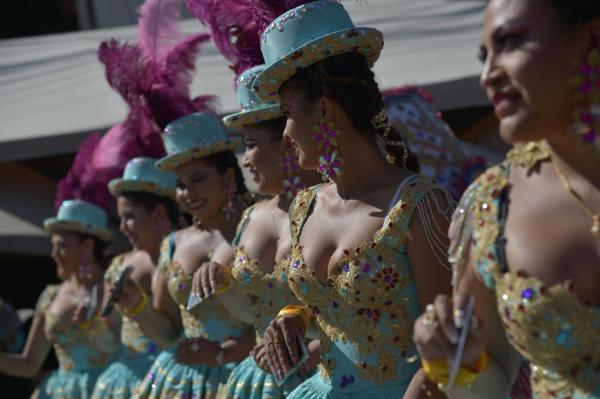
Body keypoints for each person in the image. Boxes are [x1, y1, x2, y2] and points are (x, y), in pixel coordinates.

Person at [254, 1, 455, 397]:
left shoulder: (417, 205)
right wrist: (293, 317)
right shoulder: (304, 205)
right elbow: (332, 309)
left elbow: (450, 342)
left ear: (324, 109)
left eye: (287, 114)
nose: (285, 135)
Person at [412, 1, 600, 398]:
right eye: (484, 56)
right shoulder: (494, 204)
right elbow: (493, 376)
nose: (487, 76)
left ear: (592, 37)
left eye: (510, 42)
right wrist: (460, 364)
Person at [190, 64, 322, 399]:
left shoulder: (331, 206)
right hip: (256, 382)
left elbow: (361, 309)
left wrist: (314, 349)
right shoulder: (250, 217)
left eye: (250, 144)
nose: (245, 160)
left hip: (324, 377)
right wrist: (222, 284)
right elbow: (251, 312)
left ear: (286, 143)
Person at [115, 113, 255, 399]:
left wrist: (222, 353)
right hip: (184, 383)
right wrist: (137, 307)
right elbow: (169, 332)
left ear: (228, 176)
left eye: (198, 179)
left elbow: (282, 313)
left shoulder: (258, 227)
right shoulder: (172, 244)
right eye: (180, 184)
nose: (187, 193)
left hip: (248, 378)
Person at [0, 199, 120, 398]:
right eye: (53, 246)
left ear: (88, 246)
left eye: (62, 246)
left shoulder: (114, 290)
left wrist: (93, 326)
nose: (54, 254)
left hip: (106, 390)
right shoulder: (50, 296)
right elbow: (29, 364)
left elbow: (118, 345)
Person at [91, 157, 180, 399]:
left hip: (178, 378)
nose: (122, 227)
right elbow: (110, 342)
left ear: (159, 212)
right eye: (119, 218)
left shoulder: (183, 255)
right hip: (127, 384)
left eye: (129, 216)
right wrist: (92, 324)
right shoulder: (120, 265)